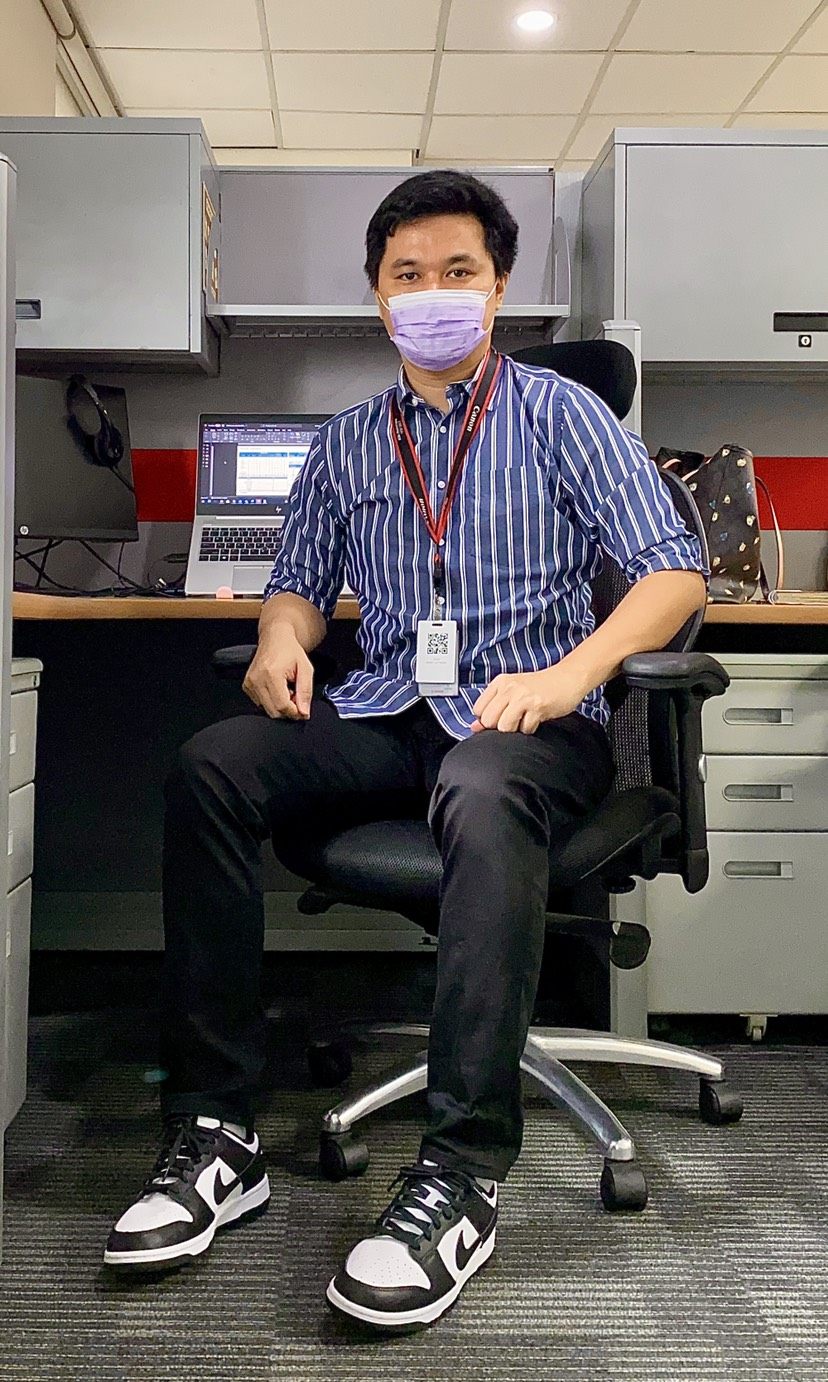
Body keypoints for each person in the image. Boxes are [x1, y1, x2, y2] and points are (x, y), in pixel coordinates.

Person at [105, 170, 707, 1328]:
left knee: (480, 786)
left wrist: (573, 673)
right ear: (380, 297)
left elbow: (673, 572)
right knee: (212, 765)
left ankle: (461, 1173)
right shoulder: (345, 442)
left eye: (458, 271)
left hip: (529, 719)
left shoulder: (562, 415)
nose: (433, 293)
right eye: (408, 274)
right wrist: (279, 642)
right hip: (388, 708)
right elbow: (296, 586)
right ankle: (218, 1132)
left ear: (498, 287)